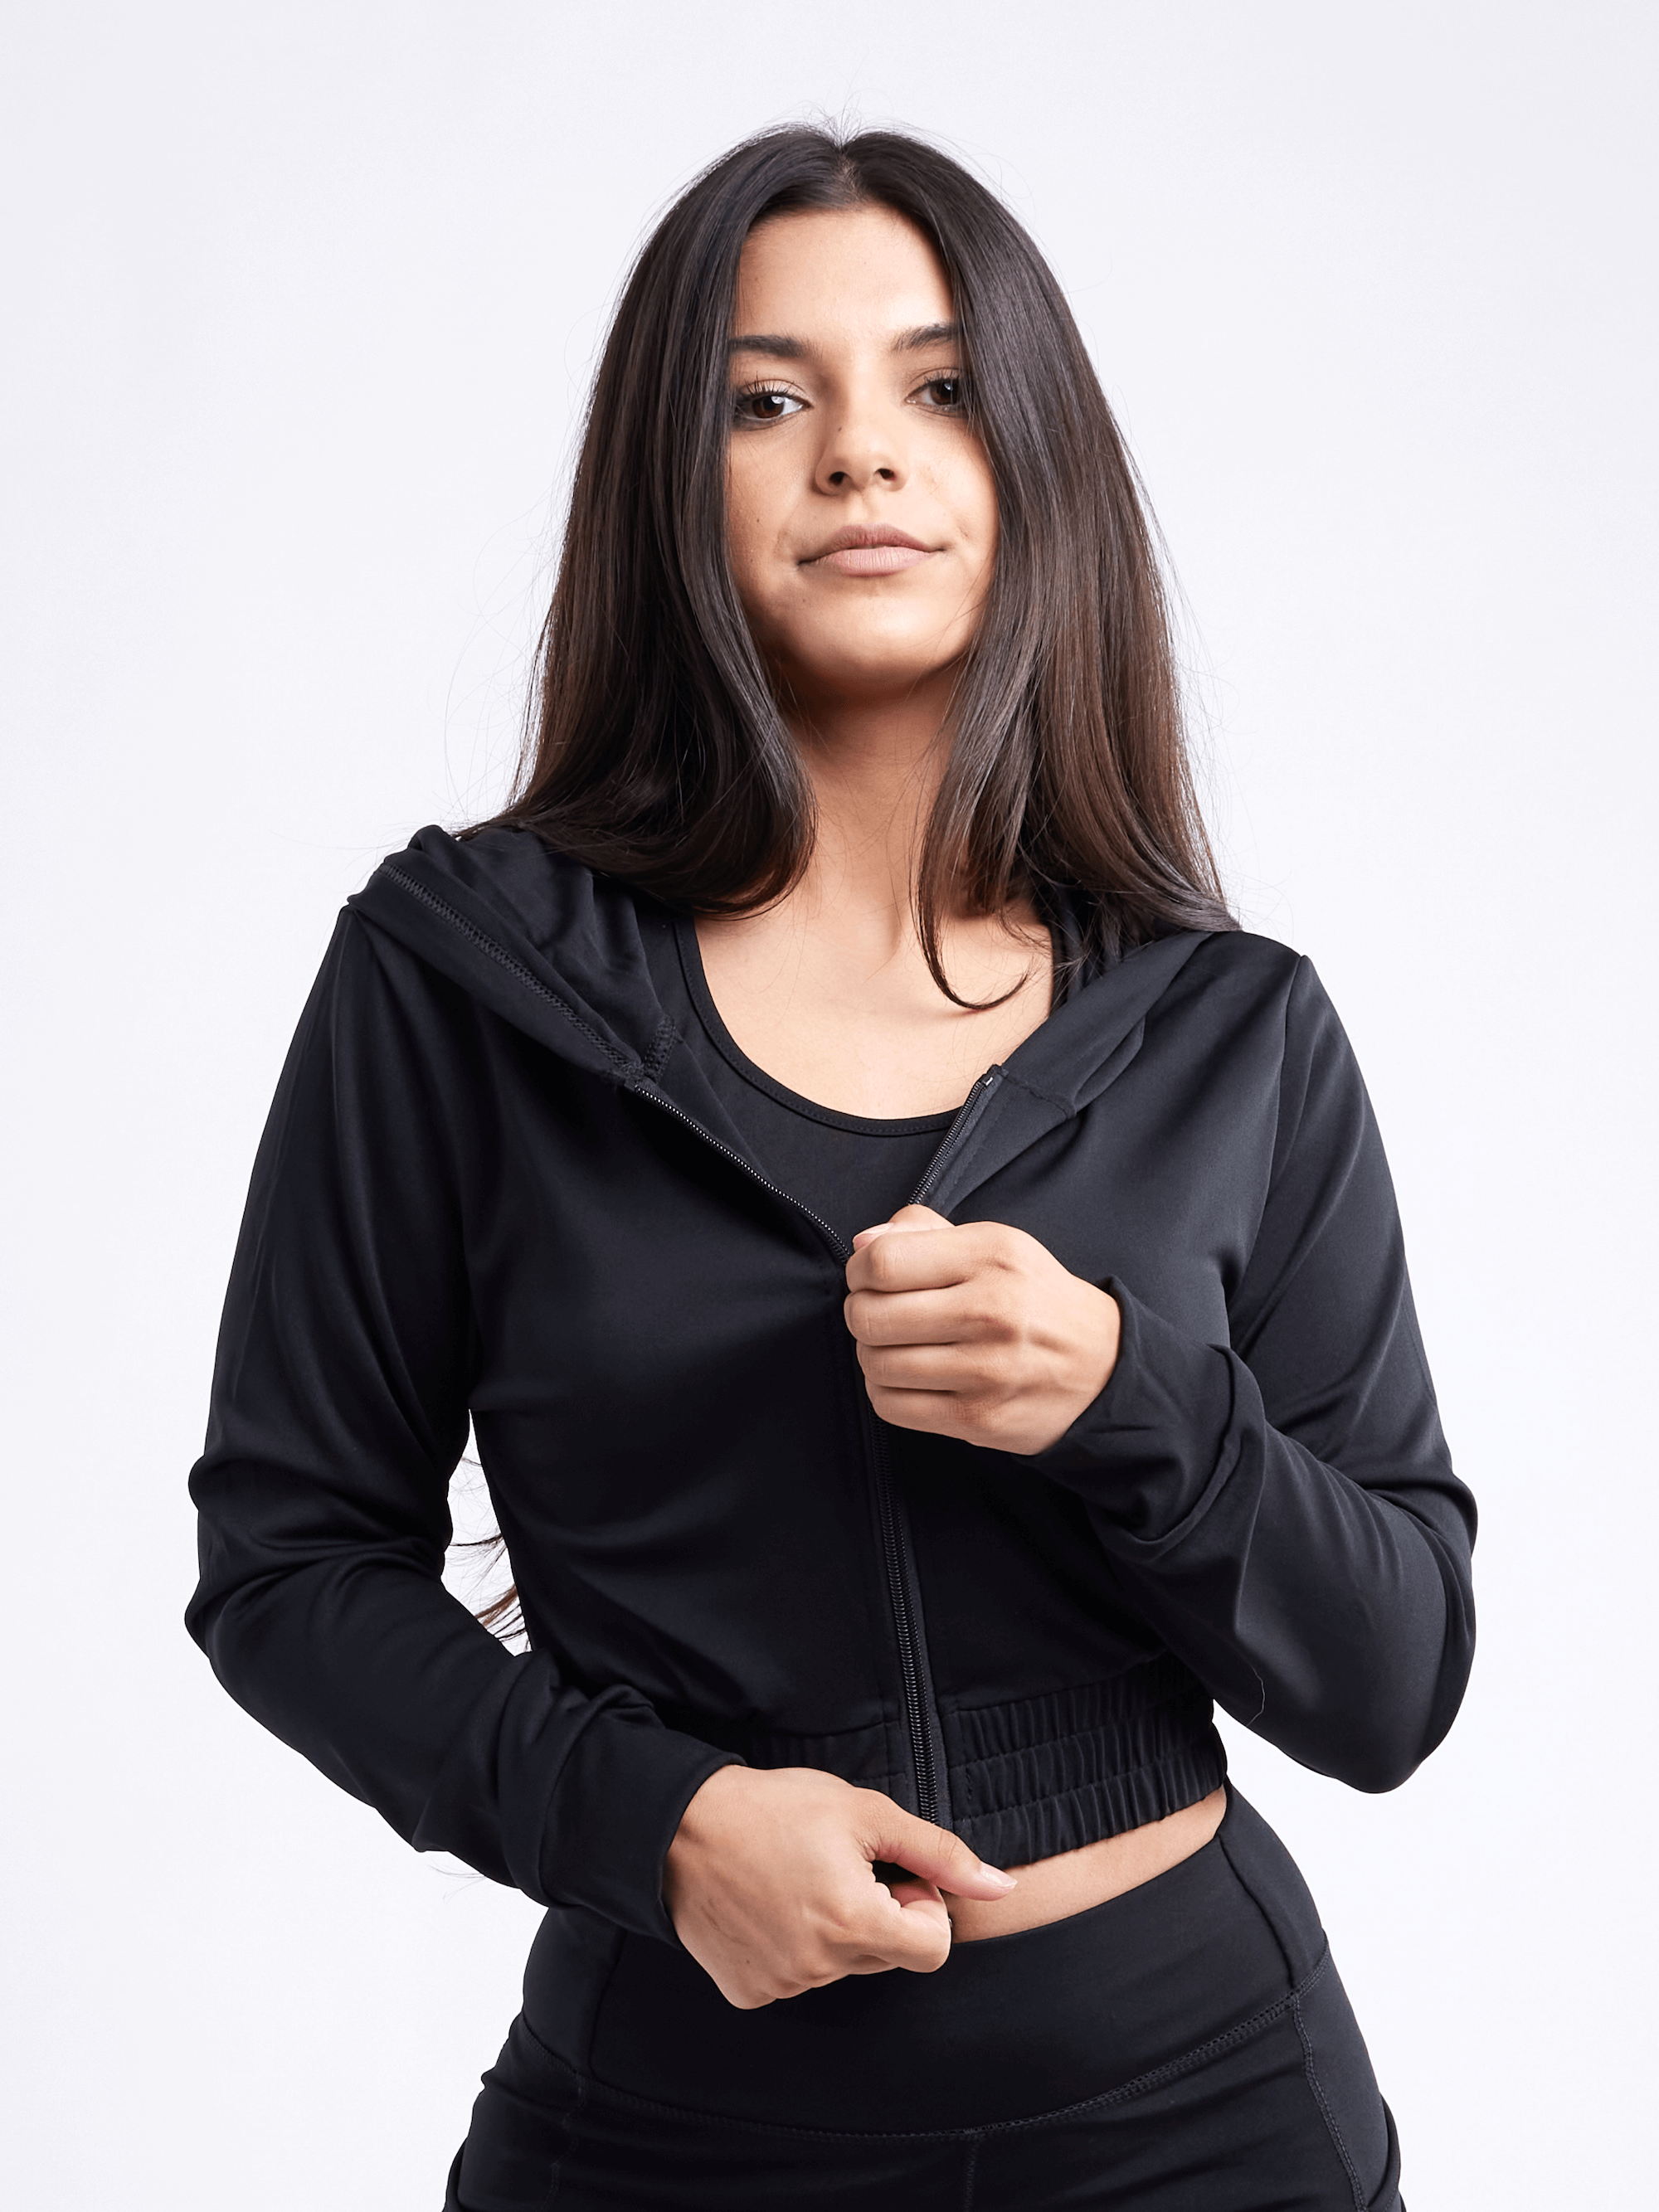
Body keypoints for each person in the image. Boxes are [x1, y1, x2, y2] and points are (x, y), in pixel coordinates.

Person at [187, 126, 1476, 2210]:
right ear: (667, 483)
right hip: (664, 2128)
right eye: (766, 400)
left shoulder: (1230, 1029)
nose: (860, 451)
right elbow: (287, 1563)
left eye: (938, 387)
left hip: (1206, 2116)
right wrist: (657, 1823)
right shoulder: (460, 980)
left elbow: (1396, 1671)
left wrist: (1129, 1397)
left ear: (1033, 462)